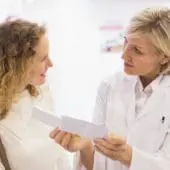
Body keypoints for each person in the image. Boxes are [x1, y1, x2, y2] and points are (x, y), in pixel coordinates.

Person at [50, 6, 170, 170]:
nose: (123, 55)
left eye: (137, 50)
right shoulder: (110, 86)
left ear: (164, 57)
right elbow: (96, 164)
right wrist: (84, 145)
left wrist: (128, 156)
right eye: (126, 42)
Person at [0, 19, 71, 170]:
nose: (51, 64)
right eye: (43, 59)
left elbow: (59, 157)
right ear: (20, 62)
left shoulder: (41, 94)